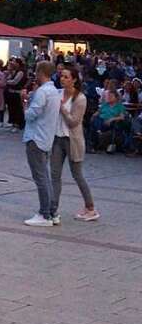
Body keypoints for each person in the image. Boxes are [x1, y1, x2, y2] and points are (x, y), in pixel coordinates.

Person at [51, 67, 99, 223]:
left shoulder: (80, 98)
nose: (62, 79)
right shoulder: (57, 93)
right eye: (61, 76)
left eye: (66, 77)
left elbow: (74, 122)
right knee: (55, 175)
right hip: (57, 139)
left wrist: (62, 108)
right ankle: (52, 209)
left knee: (77, 175)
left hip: (72, 140)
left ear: (74, 79)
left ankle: (90, 208)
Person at [23, 60, 62, 227]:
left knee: (40, 177)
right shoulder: (54, 91)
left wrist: (25, 102)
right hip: (46, 137)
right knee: (45, 176)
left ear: (40, 73)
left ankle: (44, 213)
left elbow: (30, 115)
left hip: (36, 137)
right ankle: (52, 211)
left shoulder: (42, 92)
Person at [90, 89, 129, 153]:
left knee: (98, 123)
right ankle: (96, 137)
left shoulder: (120, 106)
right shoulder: (104, 104)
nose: (108, 97)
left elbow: (122, 117)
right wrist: (93, 116)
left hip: (111, 122)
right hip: (101, 120)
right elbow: (97, 113)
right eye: (108, 96)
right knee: (96, 119)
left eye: (111, 96)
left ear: (116, 98)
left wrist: (112, 119)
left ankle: (98, 133)